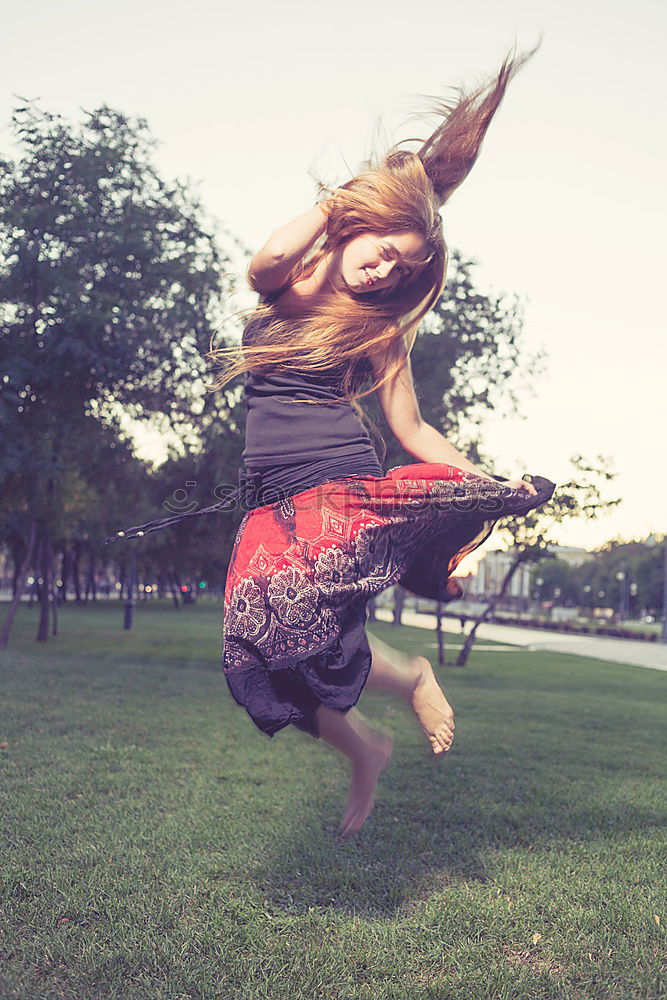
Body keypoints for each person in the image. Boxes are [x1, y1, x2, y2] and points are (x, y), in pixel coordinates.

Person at [106, 44, 555, 839]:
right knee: (257, 650)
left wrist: (483, 480)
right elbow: (265, 260)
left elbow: (409, 428)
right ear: (359, 224)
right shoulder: (293, 277)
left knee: (297, 624)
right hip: (271, 495)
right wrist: (343, 202)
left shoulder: (380, 331)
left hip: (335, 481)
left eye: (402, 269)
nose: (385, 272)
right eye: (383, 249)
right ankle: (363, 749)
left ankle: (415, 677)